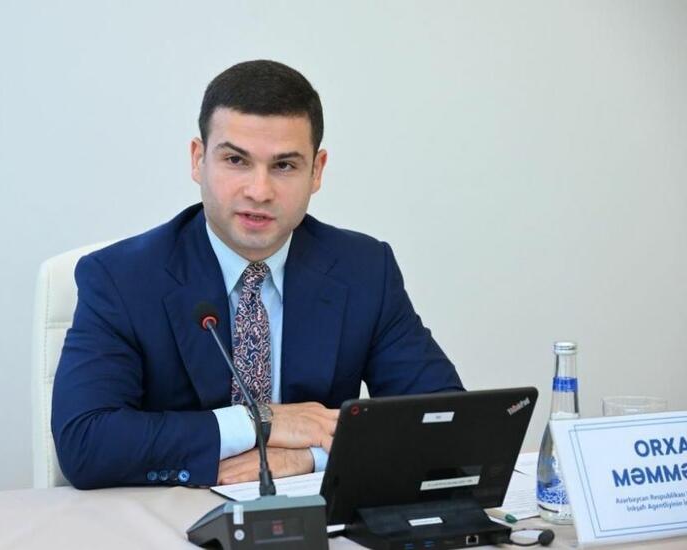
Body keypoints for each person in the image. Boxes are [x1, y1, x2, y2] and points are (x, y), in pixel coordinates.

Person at [52, 60, 463, 490]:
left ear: (317, 171)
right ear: (198, 160)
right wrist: (259, 423)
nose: (259, 191)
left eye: (284, 166)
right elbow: (86, 443)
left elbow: (446, 421)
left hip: (313, 515)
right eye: (236, 160)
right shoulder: (121, 278)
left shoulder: (364, 270)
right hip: (173, 510)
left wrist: (310, 457)